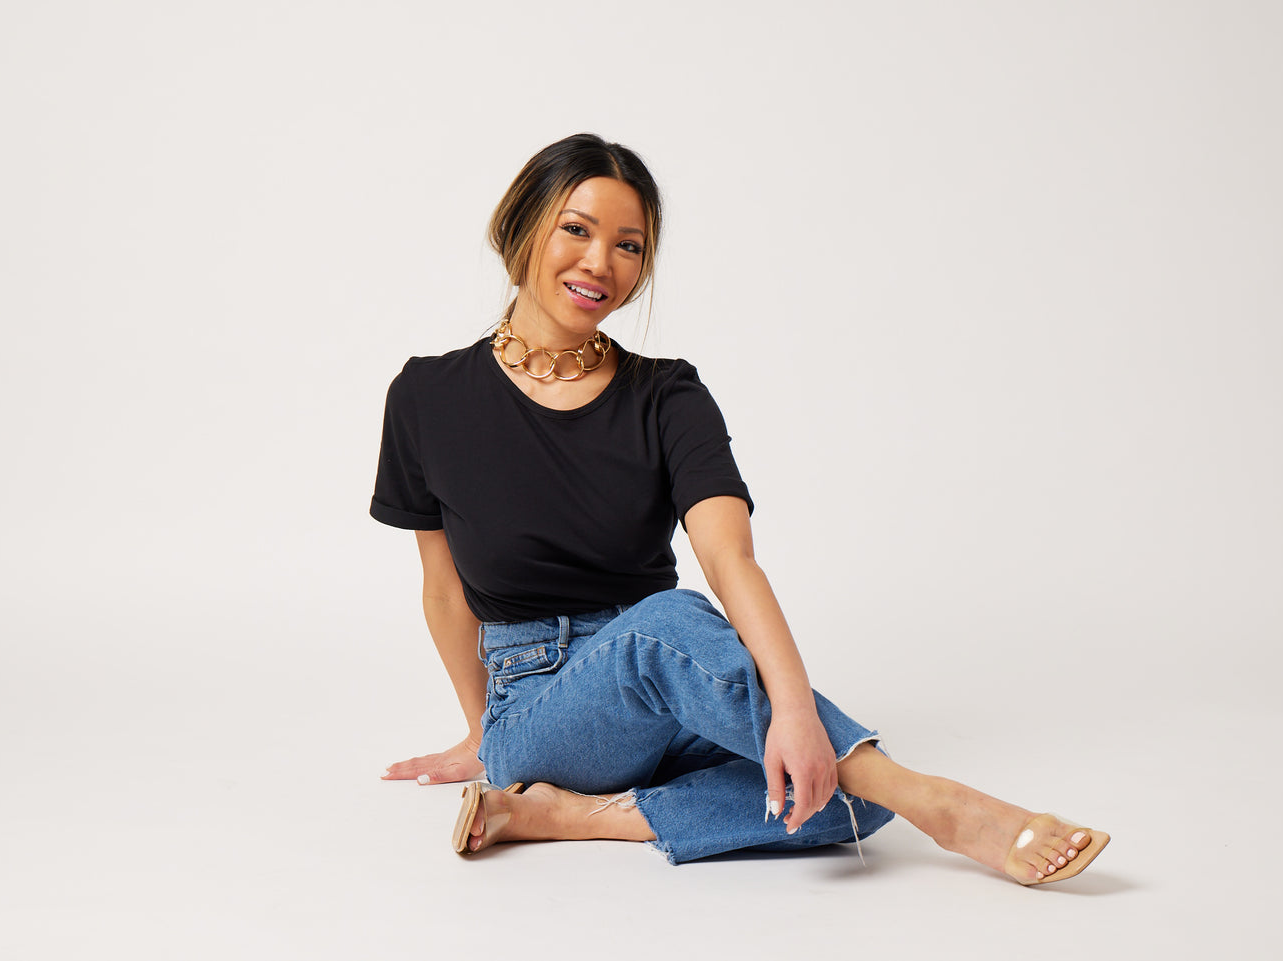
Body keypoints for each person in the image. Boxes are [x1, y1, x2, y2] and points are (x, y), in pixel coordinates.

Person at [370, 133, 1109, 882]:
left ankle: (561, 815)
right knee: (674, 628)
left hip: (672, 686)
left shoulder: (668, 395)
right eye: (577, 228)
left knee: (838, 797)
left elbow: (731, 558)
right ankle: (940, 802)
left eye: (629, 246)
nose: (601, 263)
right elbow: (443, 589)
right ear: (520, 224)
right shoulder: (427, 396)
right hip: (538, 707)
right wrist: (481, 732)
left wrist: (793, 714)